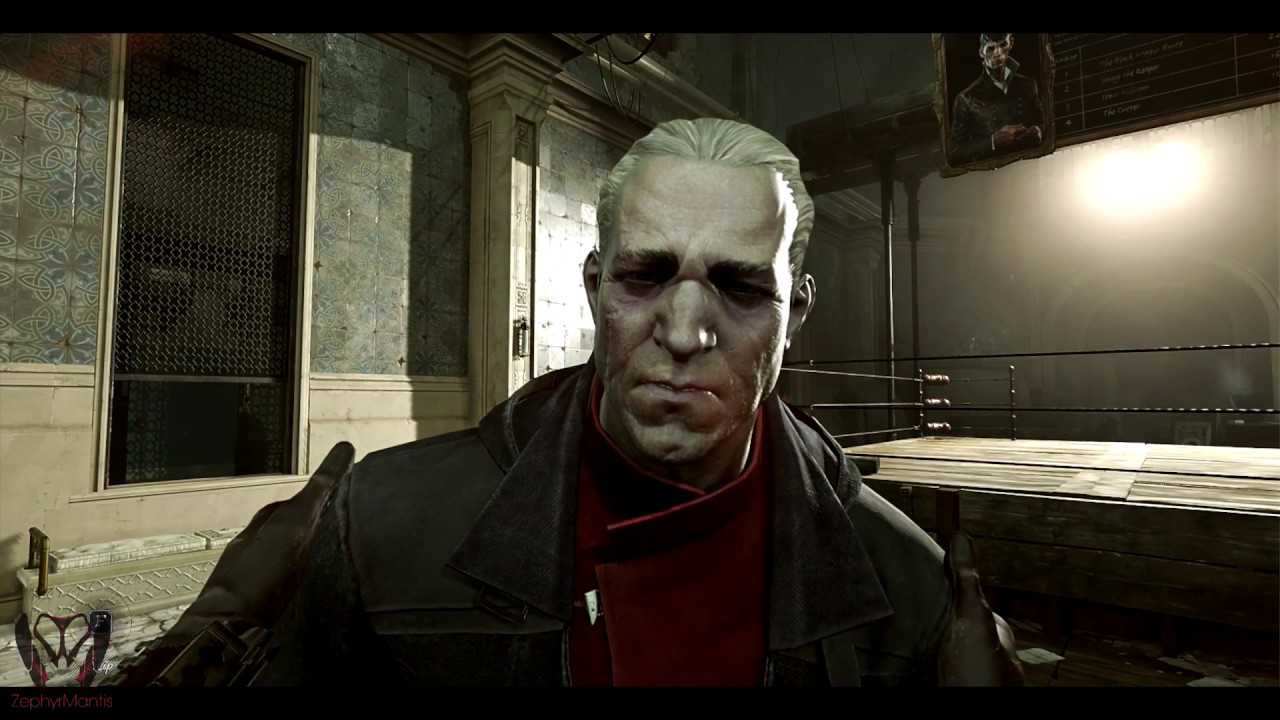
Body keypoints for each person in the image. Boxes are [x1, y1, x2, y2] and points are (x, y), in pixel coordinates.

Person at [113, 118, 1022, 687]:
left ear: (798, 314)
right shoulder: (384, 524)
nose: (684, 331)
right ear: (595, 290)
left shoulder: (907, 583)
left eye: (741, 288)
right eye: (645, 276)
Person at [949, 33, 1046, 165]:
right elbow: (955, 152)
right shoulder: (966, 99)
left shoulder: (1028, 85)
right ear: (981, 52)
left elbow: (1044, 122)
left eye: (1002, 45)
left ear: (1011, 43)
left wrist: (1038, 131)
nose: (998, 53)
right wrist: (992, 142)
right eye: (991, 48)